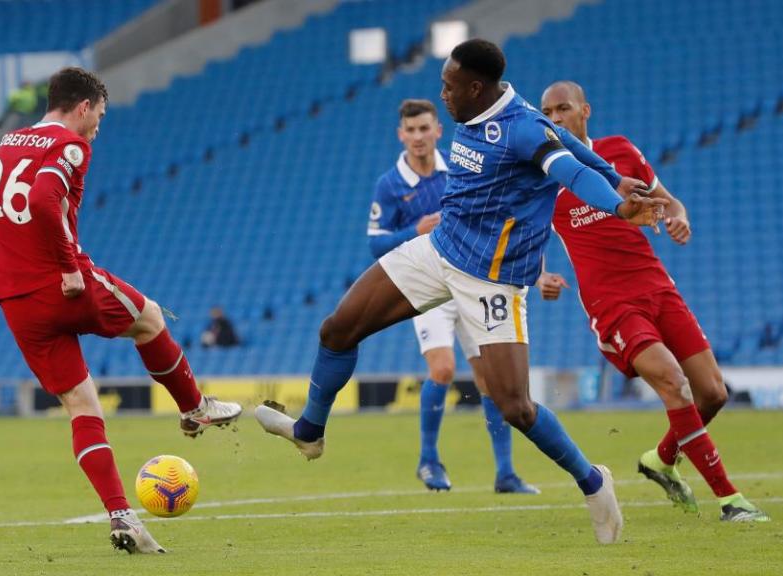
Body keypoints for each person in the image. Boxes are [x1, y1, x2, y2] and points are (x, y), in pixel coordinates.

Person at [255, 39, 666, 544]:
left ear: (475, 87)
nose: (442, 94)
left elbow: (569, 167)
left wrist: (615, 200)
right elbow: (570, 142)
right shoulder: (491, 109)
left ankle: (592, 481)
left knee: (516, 407)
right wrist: (614, 174)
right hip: (439, 248)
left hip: (491, 281)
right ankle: (310, 432)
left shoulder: (521, 130)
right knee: (337, 328)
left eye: (449, 86)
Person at [0, 67, 243, 554]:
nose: (98, 127)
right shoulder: (70, 144)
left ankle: (123, 517)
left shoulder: (8, 142)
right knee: (150, 319)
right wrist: (67, 268)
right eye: (99, 116)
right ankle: (195, 407)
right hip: (60, 283)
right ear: (83, 107)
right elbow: (42, 199)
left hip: (13, 296)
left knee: (82, 408)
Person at [537, 80, 769, 522]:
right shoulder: (545, 177)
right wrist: (541, 276)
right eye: (547, 114)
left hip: (658, 287)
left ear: (585, 110)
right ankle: (730, 500)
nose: (554, 120)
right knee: (672, 382)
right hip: (612, 303)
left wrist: (679, 219)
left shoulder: (620, 151)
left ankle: (660, 461)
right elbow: (522, 241)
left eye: (562, 109)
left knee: (713, 393)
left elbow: (668, 202)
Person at [368, 98, 537, 494]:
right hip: (428, 287)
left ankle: (506, 473)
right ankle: (429, 461)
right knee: (442, 370)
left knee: (490, 381)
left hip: (471, 279)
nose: (418, 137)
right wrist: (416, 230)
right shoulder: (390, 184)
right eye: (410, 130)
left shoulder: (460, 167)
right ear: (401, 135)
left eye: (424, 128)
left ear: (438, 131)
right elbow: (375, 244)